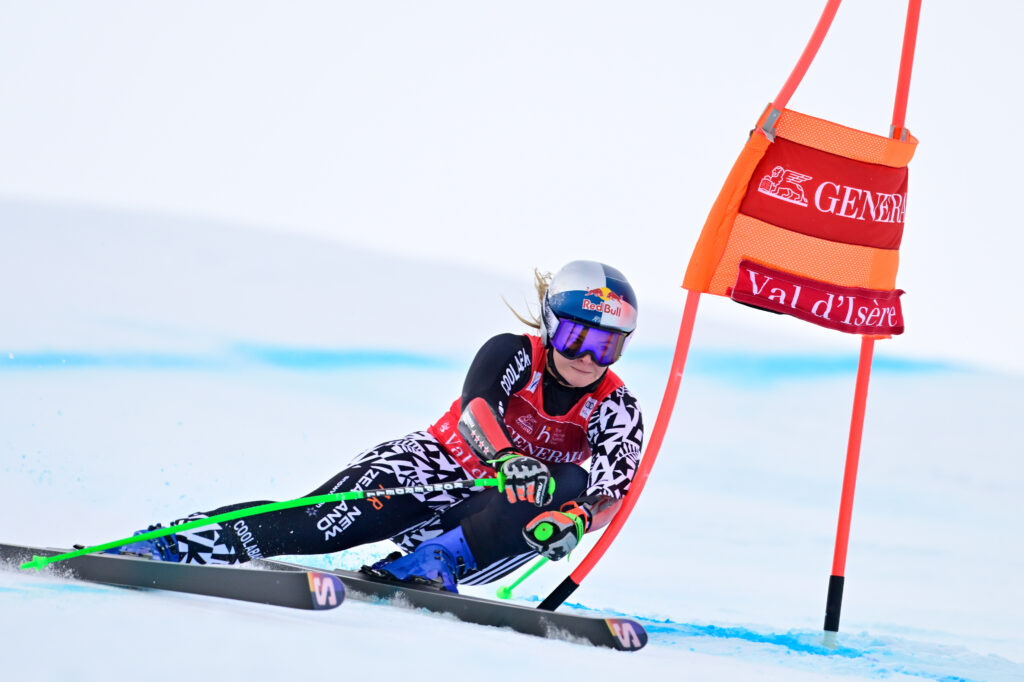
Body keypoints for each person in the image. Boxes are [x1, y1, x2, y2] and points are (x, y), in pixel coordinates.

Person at [110, 260, 644, 593]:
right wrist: (508, 458)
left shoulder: (617, 406)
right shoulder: (512, 353)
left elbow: (615, 487)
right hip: (433, 468)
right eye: (578, 337)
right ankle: (174, 543)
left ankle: (434, 561)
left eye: (607, 345)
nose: (589, 357)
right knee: (316, 524)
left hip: (489, 521)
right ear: (552, 325)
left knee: (569, 484)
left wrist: (578, 519)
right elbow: (476, 409)